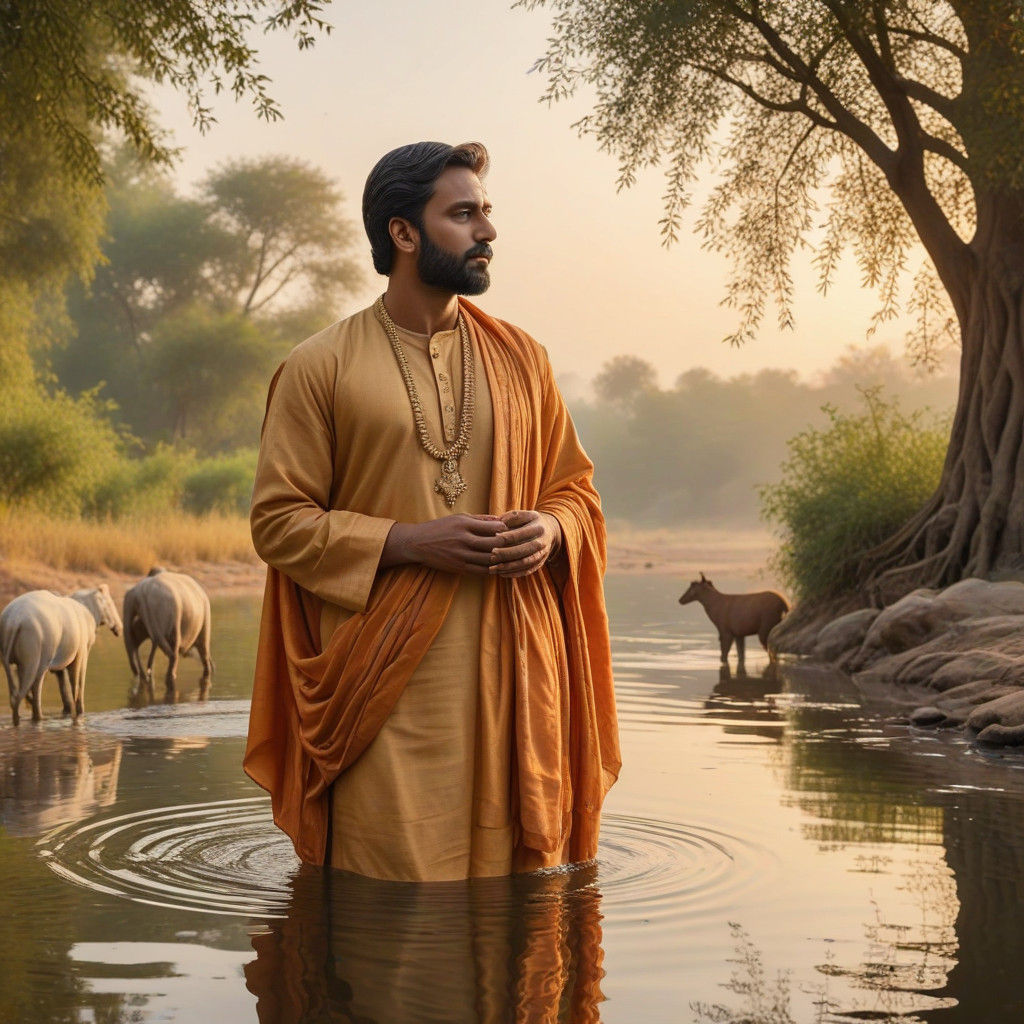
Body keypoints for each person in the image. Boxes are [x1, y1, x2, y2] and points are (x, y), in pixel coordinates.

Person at [245, 140, 620, 882]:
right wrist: (410, 542)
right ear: (404, 233)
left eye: (486, 213)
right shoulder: (320, 366)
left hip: (516, 678)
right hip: (380, 690)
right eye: (463, 214)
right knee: (387, 907)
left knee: (518, 908)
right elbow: (278, 522)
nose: (487, 232)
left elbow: (575, 492)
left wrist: (548, 529)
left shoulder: (524, 361)